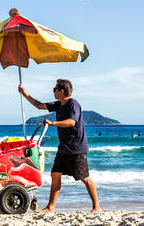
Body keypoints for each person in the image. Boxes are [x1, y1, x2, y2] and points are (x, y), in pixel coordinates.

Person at [18, 79, 102, 213]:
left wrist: (52, 123)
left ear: (62, 91)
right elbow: (39, 105)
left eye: (55, 89)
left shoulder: (72, 104)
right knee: (55, 174)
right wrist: (25, 93)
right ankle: (51, 207)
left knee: (84, 177)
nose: (53, 91)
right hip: (64, 148)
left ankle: (96, 206)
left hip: (76, 148)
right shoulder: (58, 104)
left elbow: (71, 122)